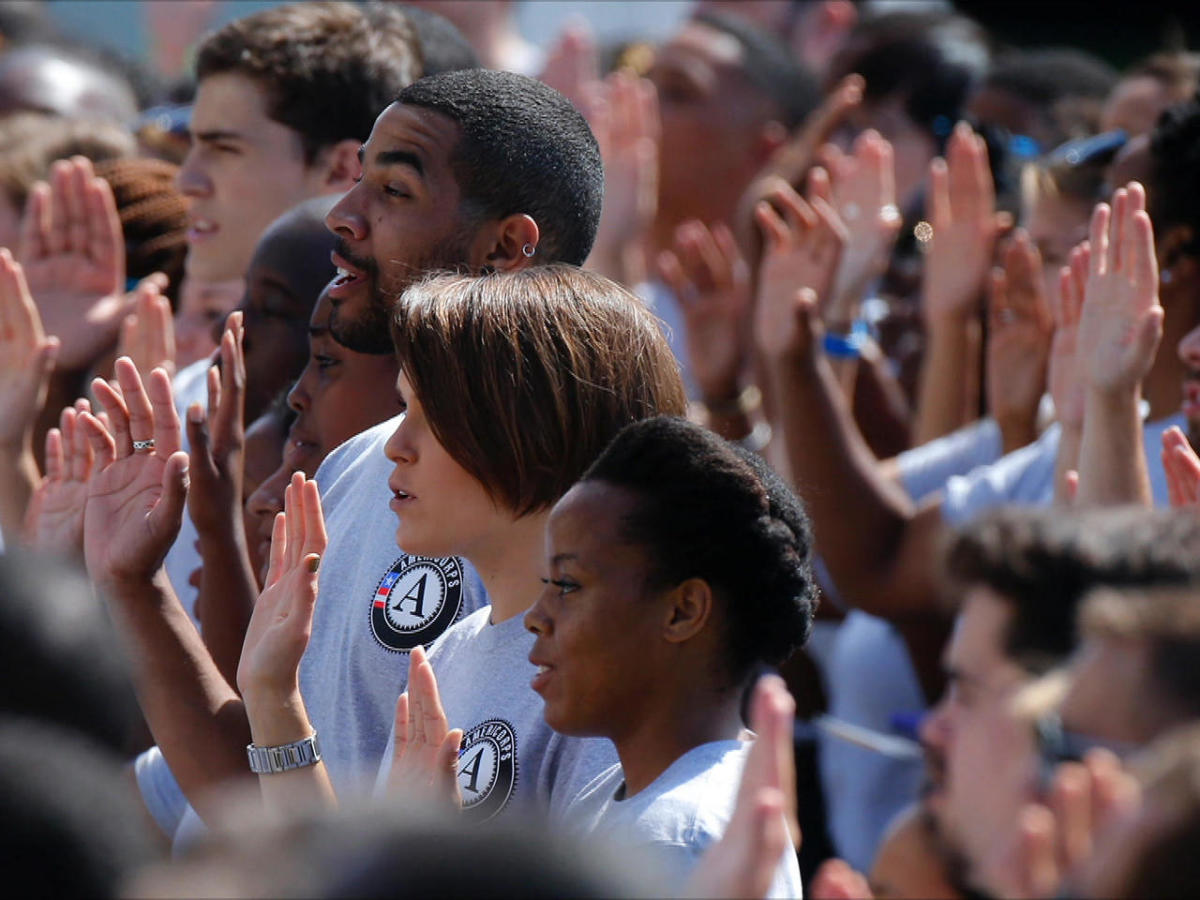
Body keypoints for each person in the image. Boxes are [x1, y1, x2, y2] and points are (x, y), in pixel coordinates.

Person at [85, 67, 604, 834]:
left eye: (393, 192)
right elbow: (252, 787)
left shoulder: (568, 505)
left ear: (506, 247)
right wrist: (134, 585)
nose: (343, 215)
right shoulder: (362, 463)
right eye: (357, 180)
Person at [238, 265, 686, 821]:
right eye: (404, 409)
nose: (395, 447)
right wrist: (273, 697)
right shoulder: (452, 653)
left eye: (434, 416)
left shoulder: (614, 681)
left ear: (533, 431)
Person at [516, 415, 813, 895]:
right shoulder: (631, 803)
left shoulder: (674, 840)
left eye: (567, 585)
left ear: (682, 610)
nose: (535, 616)